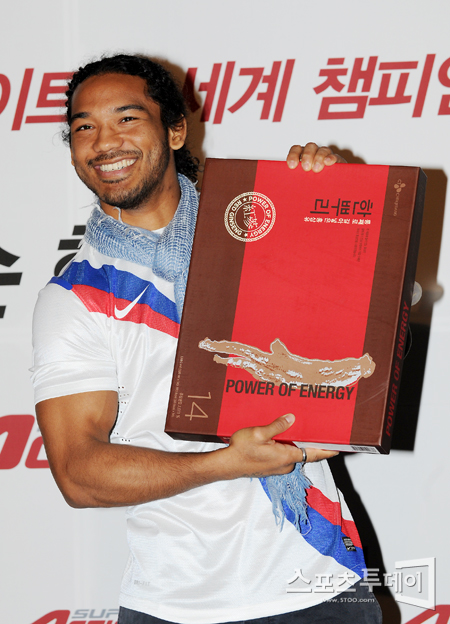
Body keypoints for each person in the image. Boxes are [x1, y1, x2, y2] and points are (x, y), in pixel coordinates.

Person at [31, 54, 382, 624]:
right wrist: (228, 463)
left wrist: (335, 208)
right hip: (175, 602)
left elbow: (371, 333)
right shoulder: (74, 297)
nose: (105, 141)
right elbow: (79, 473)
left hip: (320, 580)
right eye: (84, 127)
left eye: (126, 119)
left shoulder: (264, 230)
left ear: (175, 130)